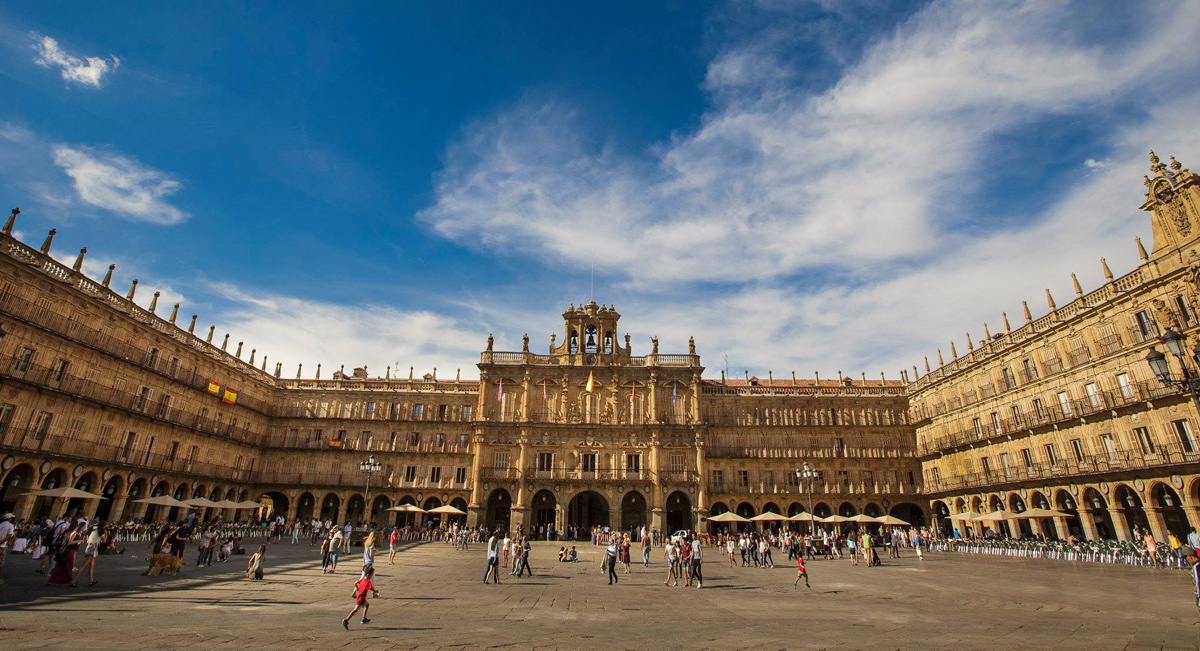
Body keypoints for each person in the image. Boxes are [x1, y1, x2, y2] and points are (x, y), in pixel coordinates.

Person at [343, 564, 379, 629]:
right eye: (371, 575)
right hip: (361, 598)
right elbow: (370, 588)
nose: (372, 576)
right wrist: (375, 591)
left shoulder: (362, 580)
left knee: (367, 605)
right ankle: (346, 620)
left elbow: (356, 582)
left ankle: (364, 618)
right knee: (355, 610)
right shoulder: (368, 581)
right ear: (368, 575)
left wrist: (357, 587)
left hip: (360, 597)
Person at [47, 521, 81, 586]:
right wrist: (79, 540)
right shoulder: (72, 532)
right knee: (64, 566)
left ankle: (67, 580)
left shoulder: (70, 531)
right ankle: (66, 581)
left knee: (64, 566)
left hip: (67, 550)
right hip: (67, 551)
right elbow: (69, 542)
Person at [0, 513, 14, 585]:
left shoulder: (0, 524)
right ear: (9, 519)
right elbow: (9, 536)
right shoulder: (10, 525)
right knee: (1, 563)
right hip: (2, 546)